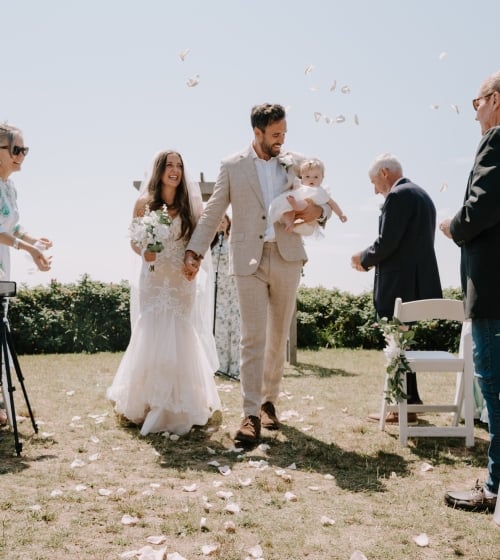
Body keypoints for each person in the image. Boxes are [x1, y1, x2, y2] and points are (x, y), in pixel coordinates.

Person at [183, 103, 332, 444]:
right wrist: (194, 250)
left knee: (278, 335)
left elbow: (320, 198)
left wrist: (316, 210)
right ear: (258, 132)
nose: (281, 140)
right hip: (247, 259)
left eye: (284, 134)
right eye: (275, 134)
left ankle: (268, 402)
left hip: (287, 255)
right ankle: (249, 414)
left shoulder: (294, 163)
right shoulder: (232, 166)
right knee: (253, 337)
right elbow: (213, 212)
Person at [107, 150, 221, 436]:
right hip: (154, 276)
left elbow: (200, 240)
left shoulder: (190, 204)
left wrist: (194, 262)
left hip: (182, 278)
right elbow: (135, 240)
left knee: (180, 330)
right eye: (169, 165)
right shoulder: (143, 203)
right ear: (159, 171)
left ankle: (179, 402)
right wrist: (144, 252)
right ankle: (146, 402)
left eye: (179, 166)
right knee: (153, 329)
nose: (175, 170)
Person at [440, 71, 500, 514]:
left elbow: (481, 207)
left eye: (476, 101)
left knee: (494, 387)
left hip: (494, 289)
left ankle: (495, 487)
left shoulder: (495, 140)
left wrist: (453, 227)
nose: (473, 109)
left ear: (494, 100)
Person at [351, 153, 442, 424]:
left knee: (397, 345)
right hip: (417, 283)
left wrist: (363, 259)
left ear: (385, 173)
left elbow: (388, 241)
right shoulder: (422, 195)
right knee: (404, 345)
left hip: (398, 286)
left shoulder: (398, 195)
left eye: (373, 182)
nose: (374, 189)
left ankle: (401, 406)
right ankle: (408, 403)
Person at [0, 123, 52, 426]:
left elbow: (12, 226)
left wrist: (35, 241)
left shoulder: (9, 187)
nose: (22, 155)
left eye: (25, 150)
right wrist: (27, 250)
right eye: (16, 149)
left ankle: (2, 404)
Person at [269, 158, 347, 235]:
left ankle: (295, 208)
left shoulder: (321, 191)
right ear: (302, 177)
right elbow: (295, 190)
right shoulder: (301, 187)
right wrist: (294, 188)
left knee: (305, 202)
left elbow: (332, 204)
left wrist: (340, 214)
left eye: (315, 177)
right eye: (307, 177)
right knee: (287, 211)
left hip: (304, 206)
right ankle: (289, 223)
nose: (311, 180)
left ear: (322, 178)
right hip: (293, 206)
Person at [211, 214, 241, 379]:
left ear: (229, 223)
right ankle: (220, 365)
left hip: (234, 289)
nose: (221, 224)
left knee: (235, 327)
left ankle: (236, 367)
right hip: (219, 290)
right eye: (218, 222)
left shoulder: (234, 241)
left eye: (223, 221)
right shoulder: (213, 243)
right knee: (220, 327)